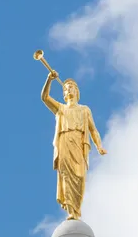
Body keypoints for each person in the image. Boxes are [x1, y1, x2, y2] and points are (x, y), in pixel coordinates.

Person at [41, 72, 107, 220]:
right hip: (64, 139)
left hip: (78, 142)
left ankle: (77, 209)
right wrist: (49, 80)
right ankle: (72, 211)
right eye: (65, 89)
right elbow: (44, 98)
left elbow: (93, 129)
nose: (68, 90)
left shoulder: (84, 110)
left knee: (80, 176)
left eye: (71, 87)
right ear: (64, 94)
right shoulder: (60, 109)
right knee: (66, 176)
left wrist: (99, 146)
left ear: (77, 91)